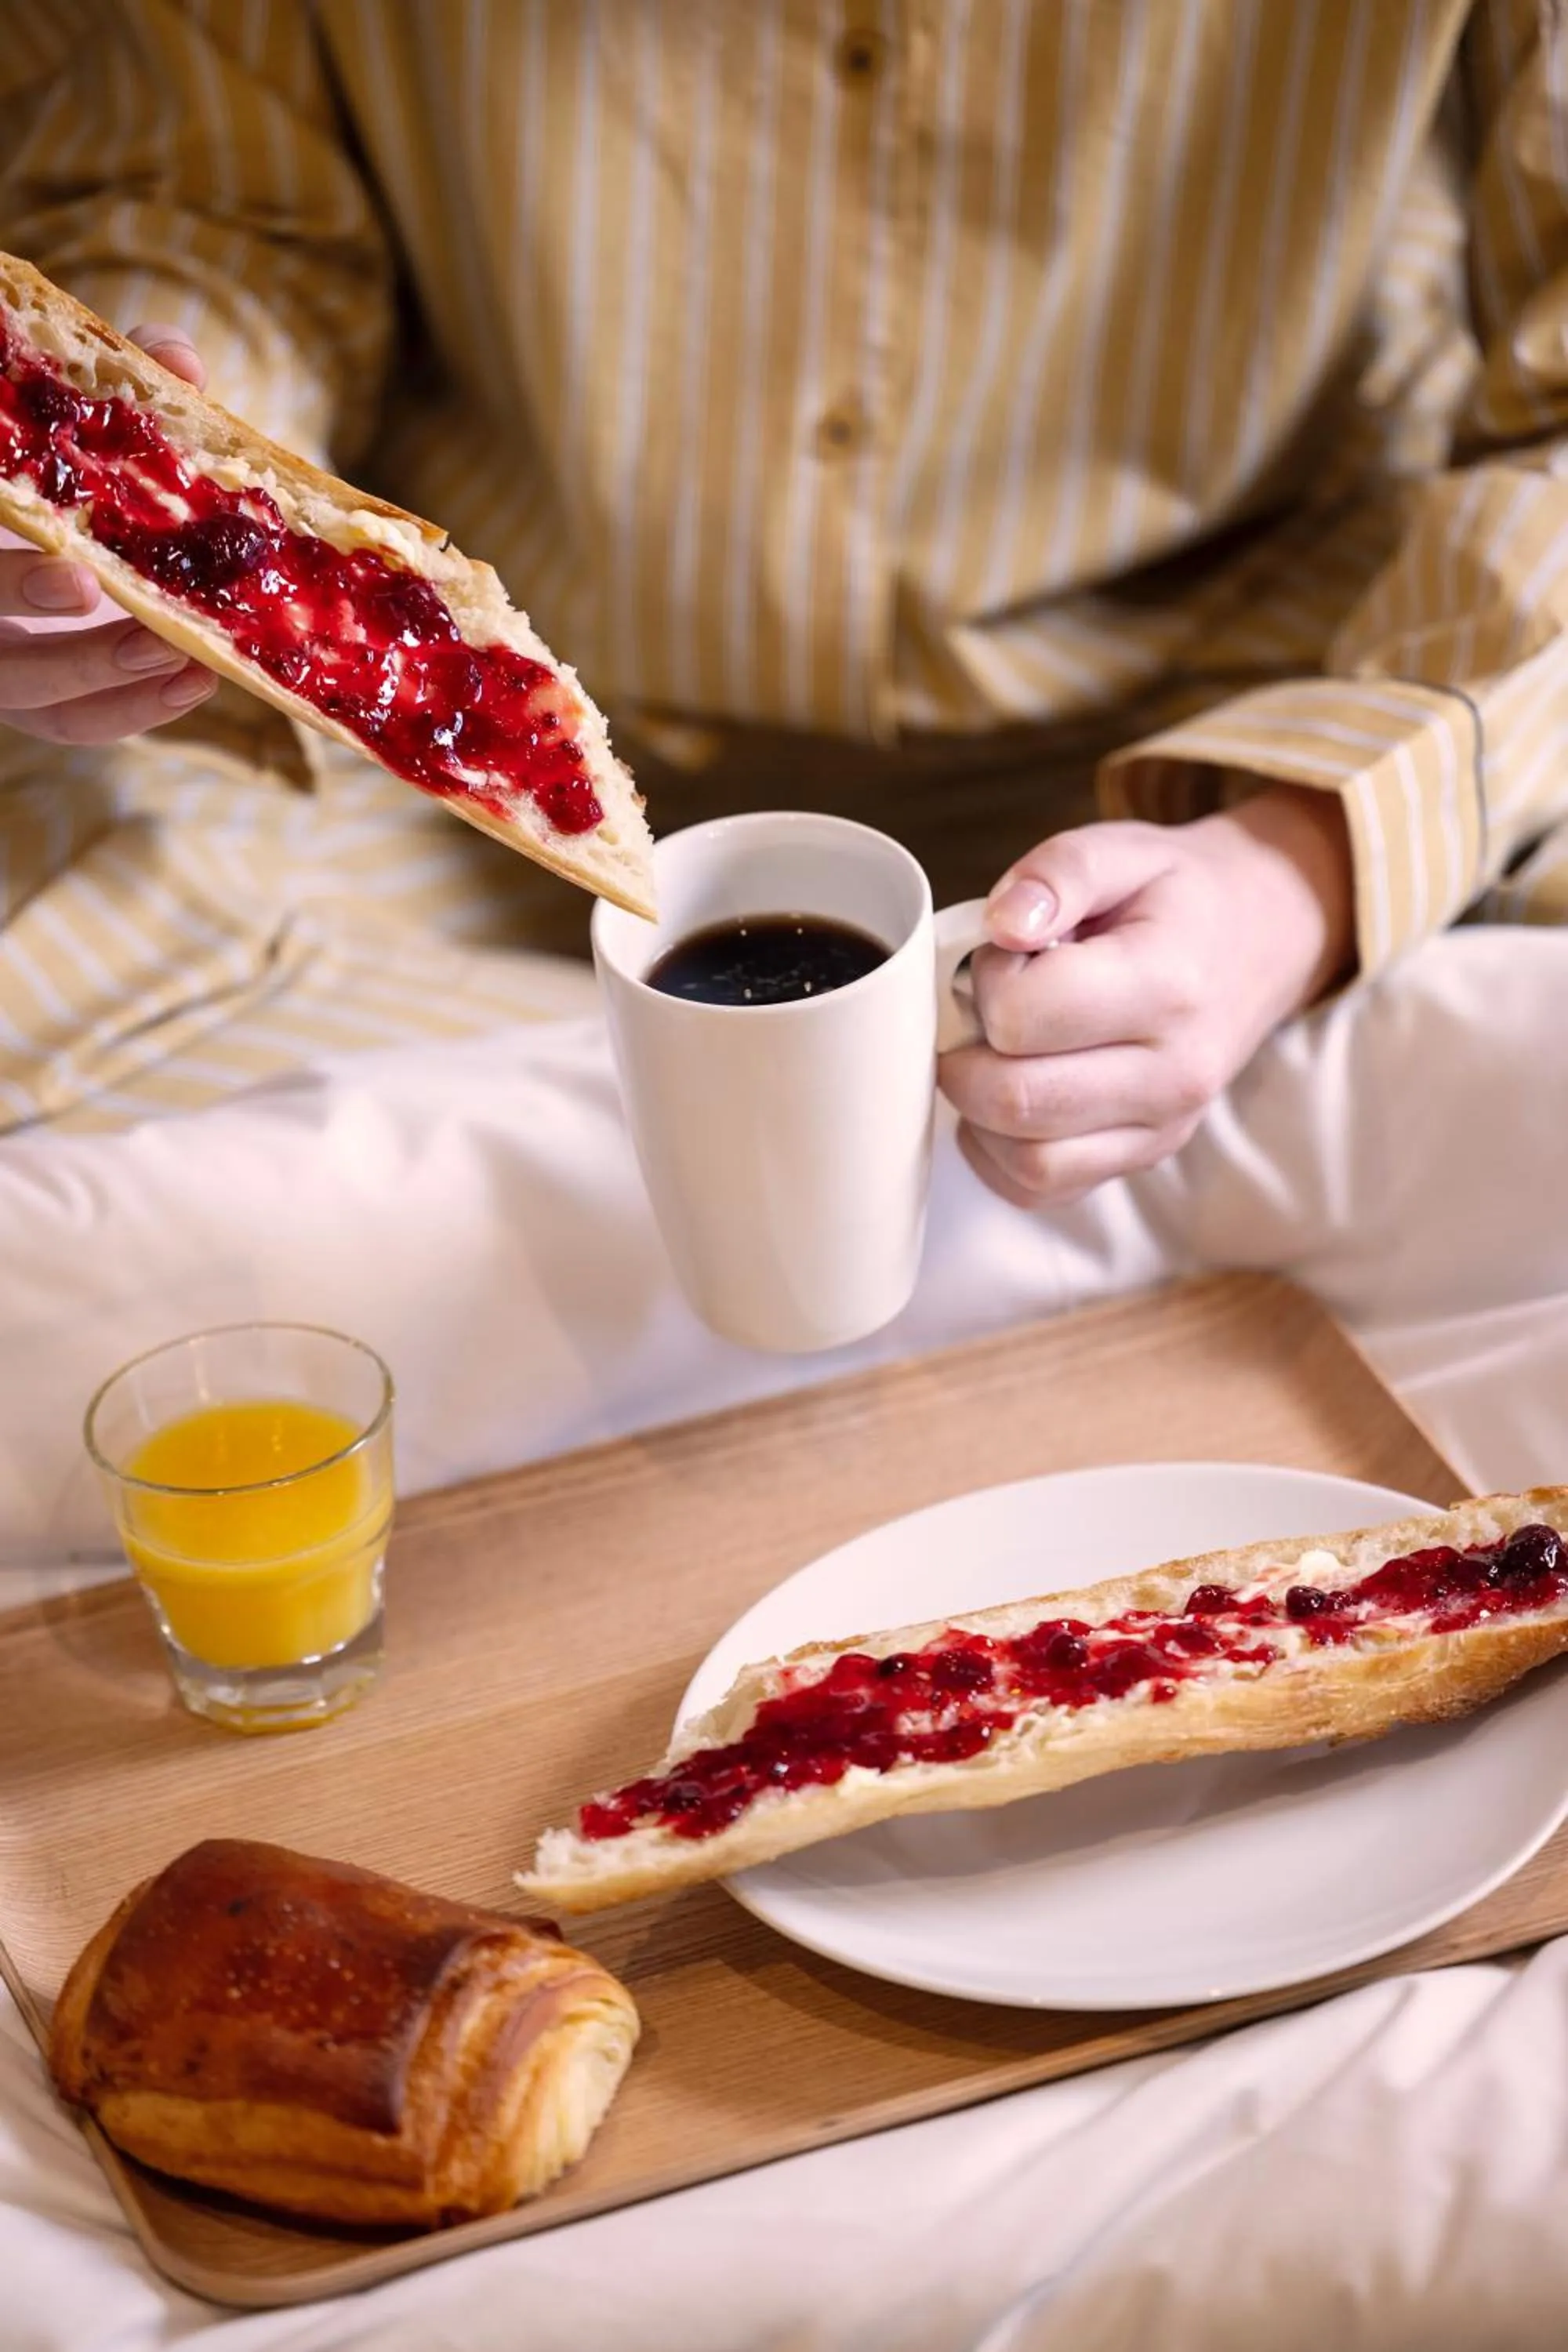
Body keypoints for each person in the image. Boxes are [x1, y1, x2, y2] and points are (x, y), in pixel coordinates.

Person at [0, 0, 1563, 1195]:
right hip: (437, 774)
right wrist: (142, 486)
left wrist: (1305, 869)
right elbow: (211, 197)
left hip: (1249, 727)